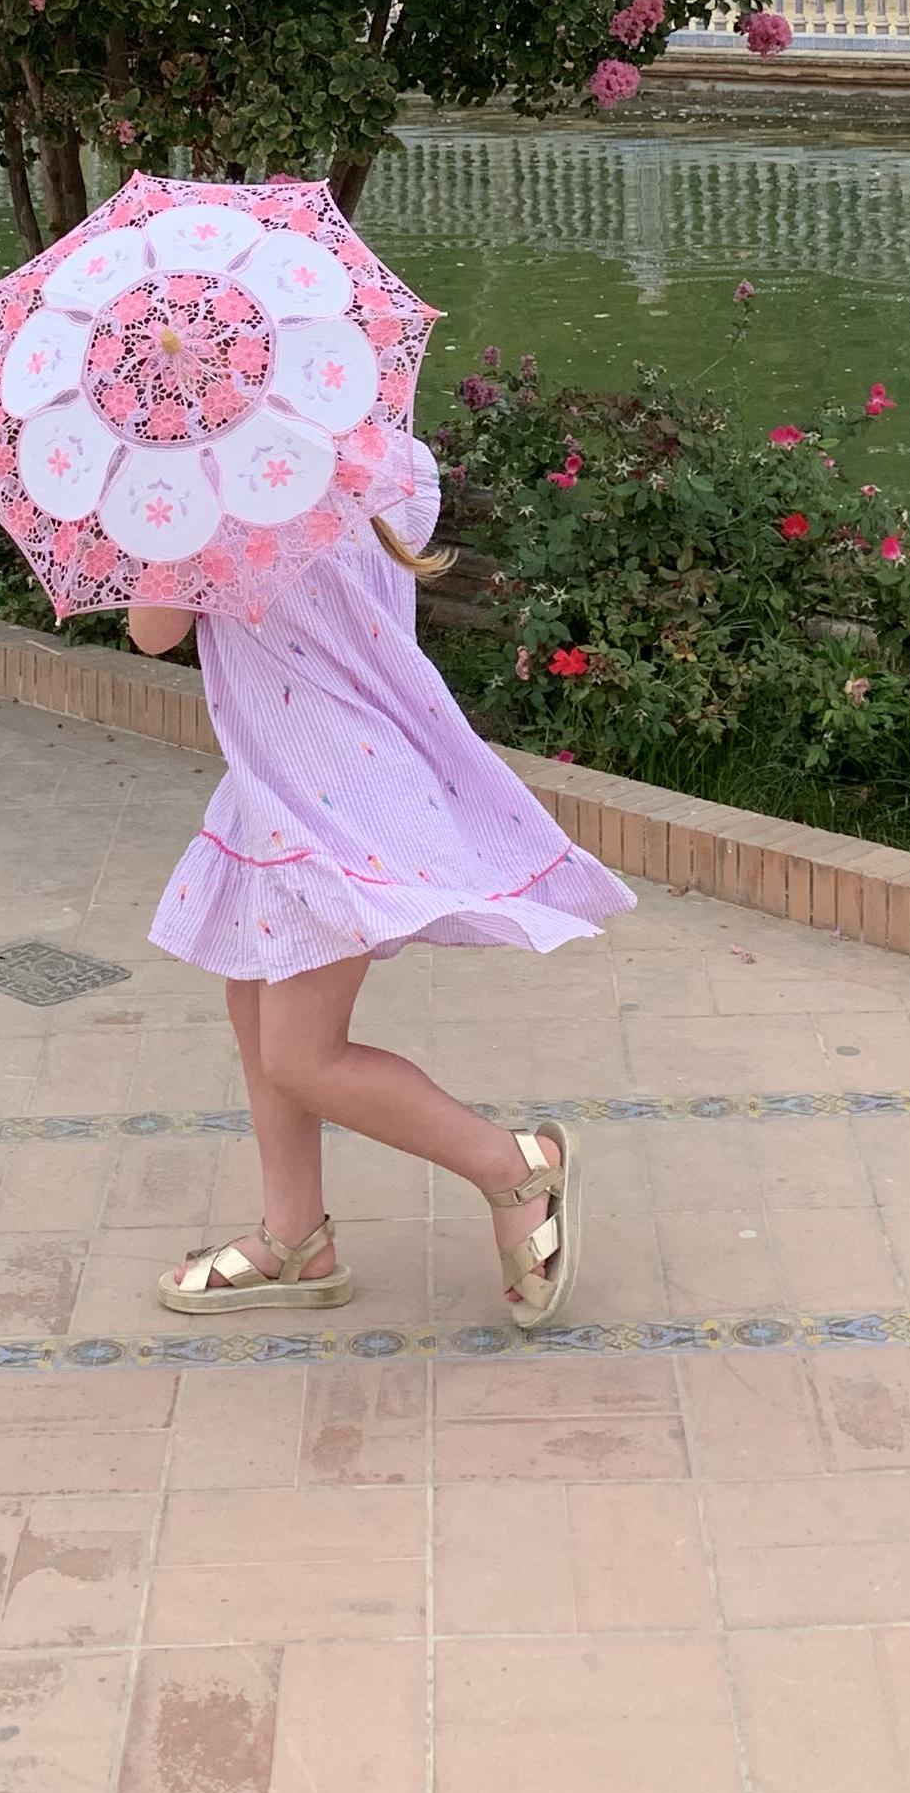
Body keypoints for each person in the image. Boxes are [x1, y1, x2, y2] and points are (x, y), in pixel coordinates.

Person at [124, 433, 632, 1331]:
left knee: (300, 1054)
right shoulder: (380, 458)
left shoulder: (212, 492)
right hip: (298, 777)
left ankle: (515, 1170)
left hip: (328, 792)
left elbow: (151, 629)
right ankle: (294, 1238)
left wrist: (163, 495)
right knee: (255, 1004)